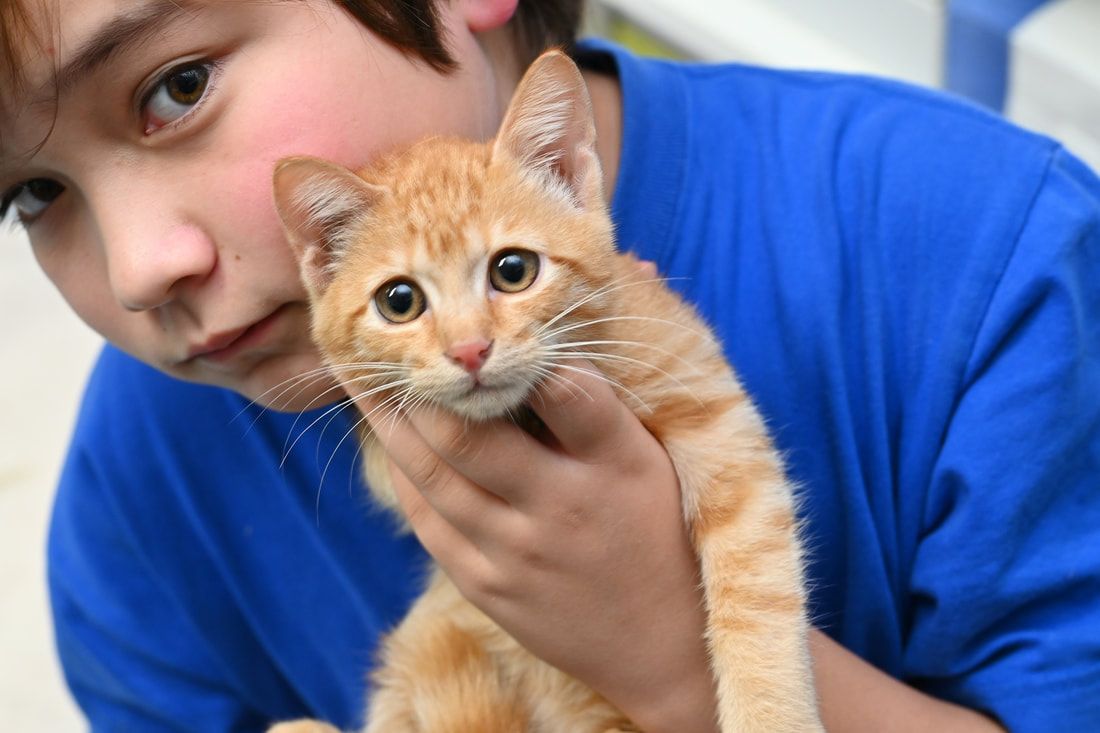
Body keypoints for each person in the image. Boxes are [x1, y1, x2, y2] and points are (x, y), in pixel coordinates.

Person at [2, 0, 1097, 730]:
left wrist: (671, 656)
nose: (143, 265)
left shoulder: (992, 253)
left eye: (178, 84)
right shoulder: (137, 484)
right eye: (33, 194)